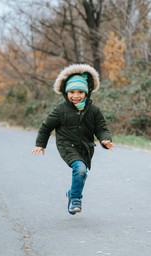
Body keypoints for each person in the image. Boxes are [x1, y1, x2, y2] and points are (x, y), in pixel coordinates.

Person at [32, 64, 114, 215]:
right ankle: (76, 198)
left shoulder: (94, 111)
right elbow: (46, 127)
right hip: (67, 146)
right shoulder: (60, 110)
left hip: (86, 147)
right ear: (65, 92)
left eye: (80, 92)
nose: (75, 96)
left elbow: (101, 128)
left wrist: (105, 140)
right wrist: (40, 144)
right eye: (71, 92)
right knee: (80, 169)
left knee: (82, 173)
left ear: (87, 92)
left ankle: (71, 193)